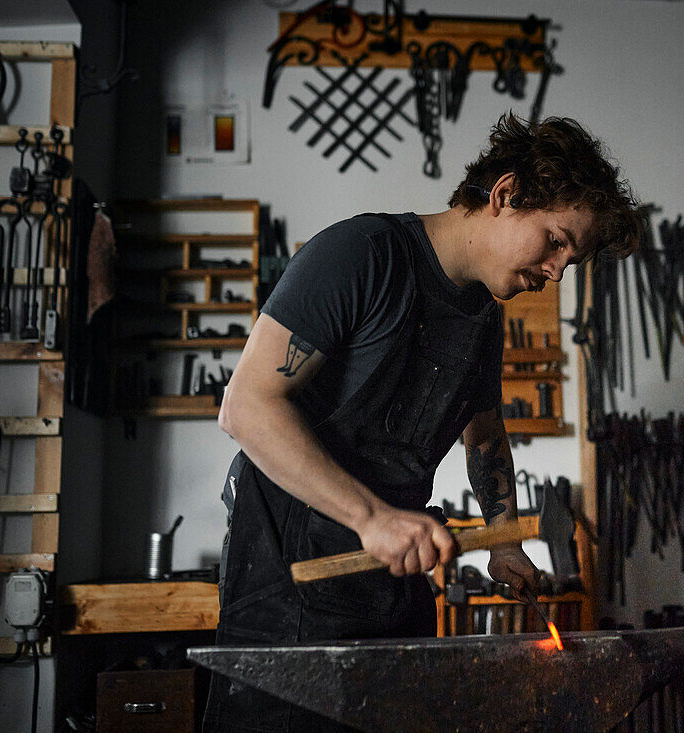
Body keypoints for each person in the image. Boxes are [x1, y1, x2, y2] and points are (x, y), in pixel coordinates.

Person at [203, 112, 641, 732]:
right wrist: (370, 518)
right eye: (555, 241)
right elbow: (246, 407)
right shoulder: (363, 255)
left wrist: (504, 536)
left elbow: (485, 434)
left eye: (572, 260)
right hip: (289, 579)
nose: (556, 272)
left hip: (393, 581)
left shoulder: (483, 317)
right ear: (506, 195)